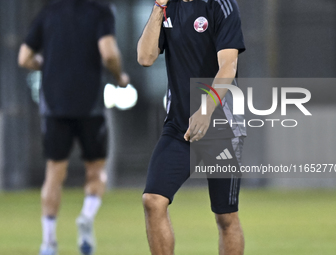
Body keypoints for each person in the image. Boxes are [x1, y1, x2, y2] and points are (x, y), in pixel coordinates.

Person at [18, 0, 129, 254]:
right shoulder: (101, 10)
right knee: (96, 170)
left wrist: (47, 65)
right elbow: (109, 53)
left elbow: (24, 57)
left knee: (54, 174)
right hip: (90, 105)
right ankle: (86, 217)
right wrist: (119, 77)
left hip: (55, 106)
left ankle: (48, 242)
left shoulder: (49, 11)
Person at [137, 0, 246, 254]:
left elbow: (228, 66)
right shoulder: (167, 7)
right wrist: (158, 8)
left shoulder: (221, 5)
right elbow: (145, 57)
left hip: (222, 127)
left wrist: (206, 110)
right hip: (179, 127)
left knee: (225, 216)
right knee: (153, 201)